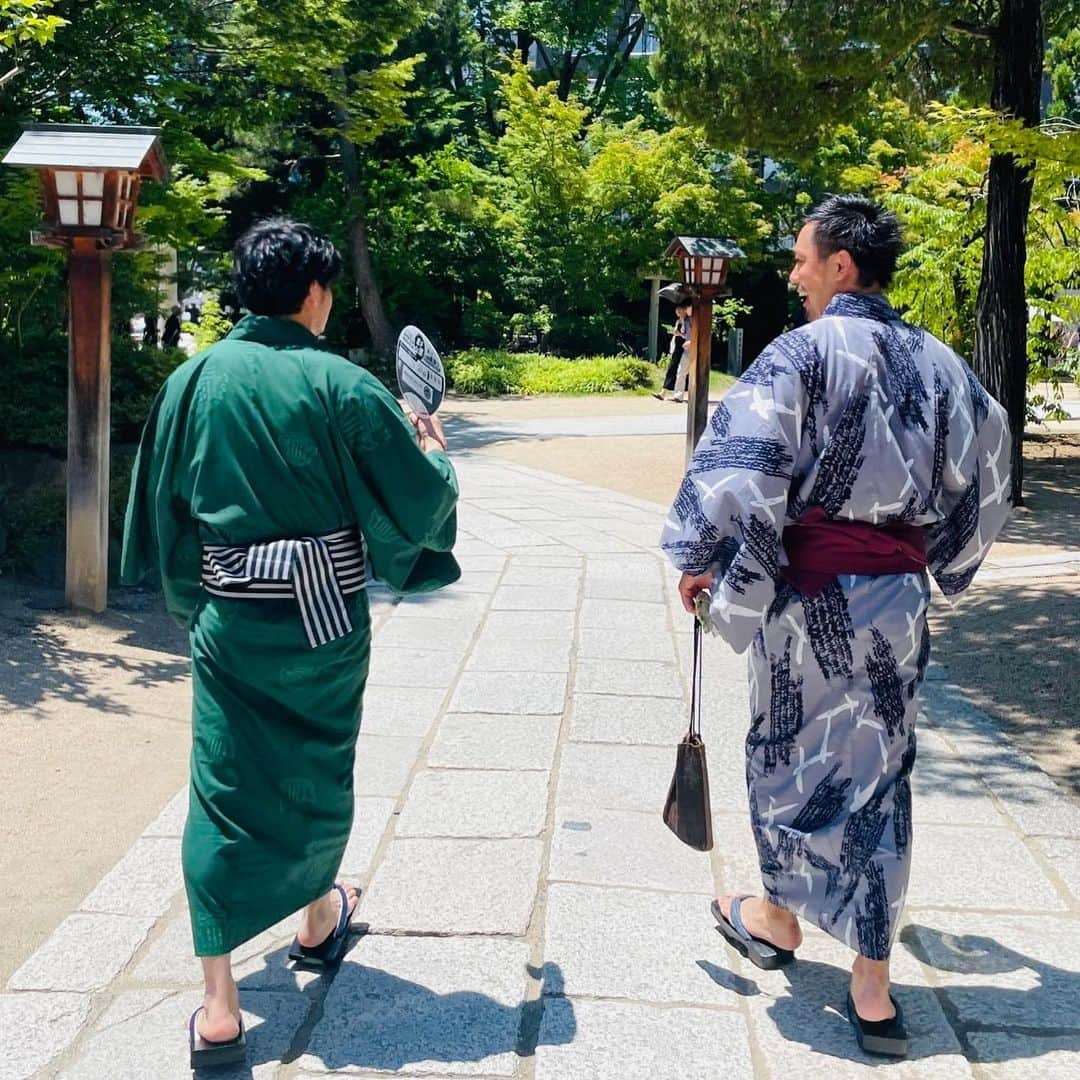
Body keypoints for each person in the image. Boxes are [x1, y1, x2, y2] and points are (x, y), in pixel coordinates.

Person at [661, 195, 1011, 1059]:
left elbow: (740, 466)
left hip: (806, 596)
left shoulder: (802, 354)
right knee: (883, 773)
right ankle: (873, 985)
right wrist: (944, 555)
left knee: (788, 752)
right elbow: (993, 459)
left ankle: (779, 918)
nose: (794, 274)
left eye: (802, 259)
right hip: (895, 603)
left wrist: (702, 556)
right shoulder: (940, 362)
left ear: (842, 266)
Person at [122, 218, 459, 1069]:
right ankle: (316, 921)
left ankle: (220, 1005)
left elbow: (162, 514)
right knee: (316, 767)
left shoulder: (193, 380)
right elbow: (418, 498)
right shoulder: (341, 383)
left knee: (224, 784)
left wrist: (193, 606)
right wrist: (433, 447)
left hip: (232, 620)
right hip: (323, 621)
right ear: (313, 292)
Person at [653, 301, 692, 402]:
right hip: (677, 348)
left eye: (680, 310)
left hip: (684, 348)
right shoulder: (678, 321)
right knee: (673, 370)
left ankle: (675, 394)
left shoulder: (688, 321)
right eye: (677, 310)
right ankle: (665, 392)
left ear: (685, 310)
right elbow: (676, 336)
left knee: (681, 371)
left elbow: (688, 336)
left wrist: (679, 334)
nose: (678, 312)